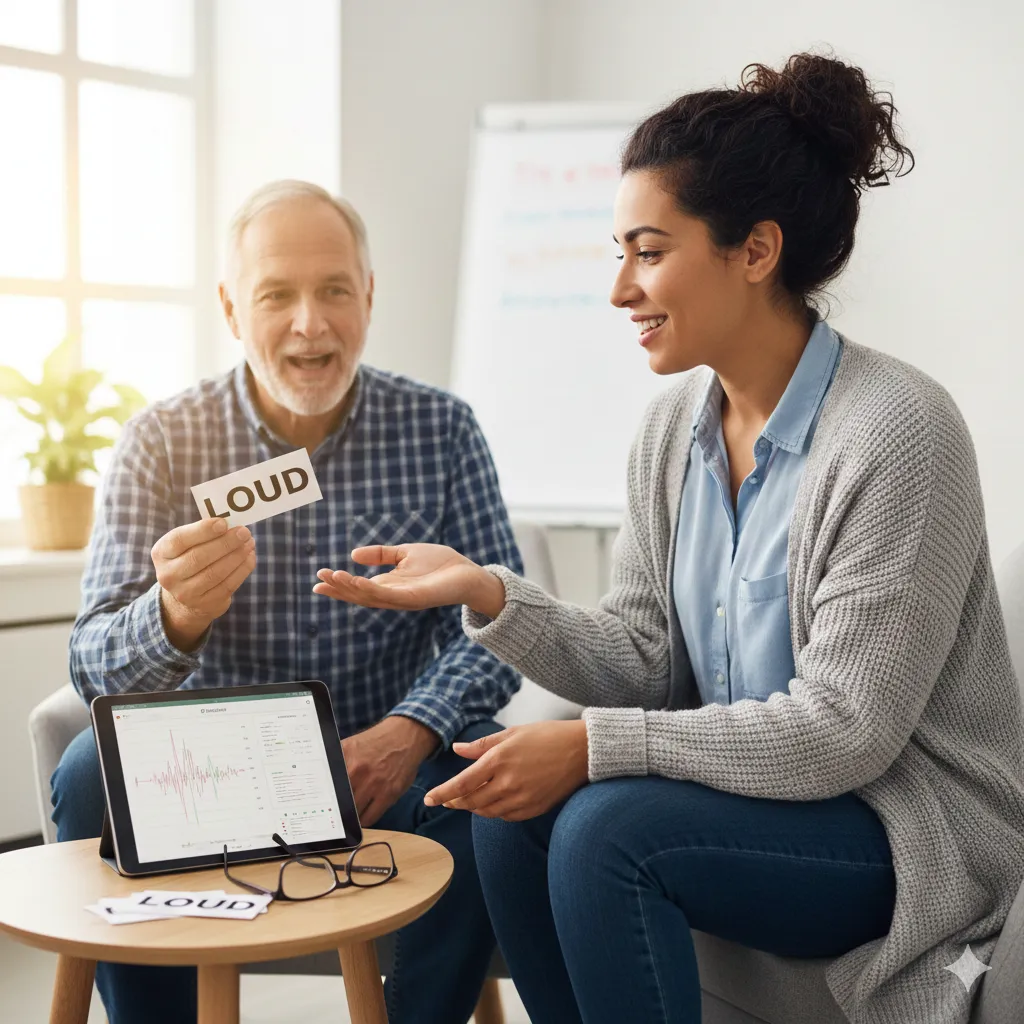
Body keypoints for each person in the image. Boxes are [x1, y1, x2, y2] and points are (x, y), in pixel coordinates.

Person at [312, 53, 1024, 1024]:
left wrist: (594, 746)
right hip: (759, 805)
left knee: (608, 824)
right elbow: (642, 657)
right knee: (509, 819)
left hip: (904, 827)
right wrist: (484, 590)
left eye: (647, 251)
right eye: (618, 252)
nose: (619, 289)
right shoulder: (672, 432)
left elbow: (844, 731)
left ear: (755, 251)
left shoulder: (896, 430)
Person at [52, 180, 523, 1024]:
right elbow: (90, 662)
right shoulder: (162, 439)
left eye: (335, 290)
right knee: (89, 771)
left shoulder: (443, 430)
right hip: (212, 770)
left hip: (389, 760)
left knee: (491, 786)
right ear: (233, 309)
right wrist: (173, 618)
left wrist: (408, 730)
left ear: (369, 298)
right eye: (277, 295)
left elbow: (501, 627)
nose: (310, 323)